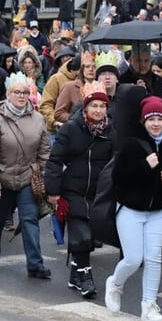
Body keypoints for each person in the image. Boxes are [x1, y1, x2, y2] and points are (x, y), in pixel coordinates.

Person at [105, 96, 162, 321]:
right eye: (151, 119)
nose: (156, 124)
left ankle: (149, 305)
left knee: (154, 259)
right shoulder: (131, 144)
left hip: (156, 211)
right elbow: (118, 177)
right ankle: (115, 284)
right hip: (130, 209)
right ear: (143, 121)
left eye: (159, 119)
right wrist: (144, 166)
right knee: (133, 258)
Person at [45, 80, 114, 298]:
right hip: (72, 190)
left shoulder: (111, 131)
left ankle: (75, 275)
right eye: (94, 106)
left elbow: (116, 161)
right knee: (81, 234)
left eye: (102, 106)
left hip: (98, 192)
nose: (98, 110)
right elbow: (55, 160)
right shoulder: (71, 129)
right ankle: (86, 277)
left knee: (90, 235)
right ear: (85, 107)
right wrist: (53, 192)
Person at [0, 73, 51, 277]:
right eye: (17, 92)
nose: (21, 96)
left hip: (27, 179)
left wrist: (39, 172)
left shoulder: (38, 119)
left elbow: (45, 151)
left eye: (25, 92)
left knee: (30, 220)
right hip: (3, 178)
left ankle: (35, 264)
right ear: (8, 94)